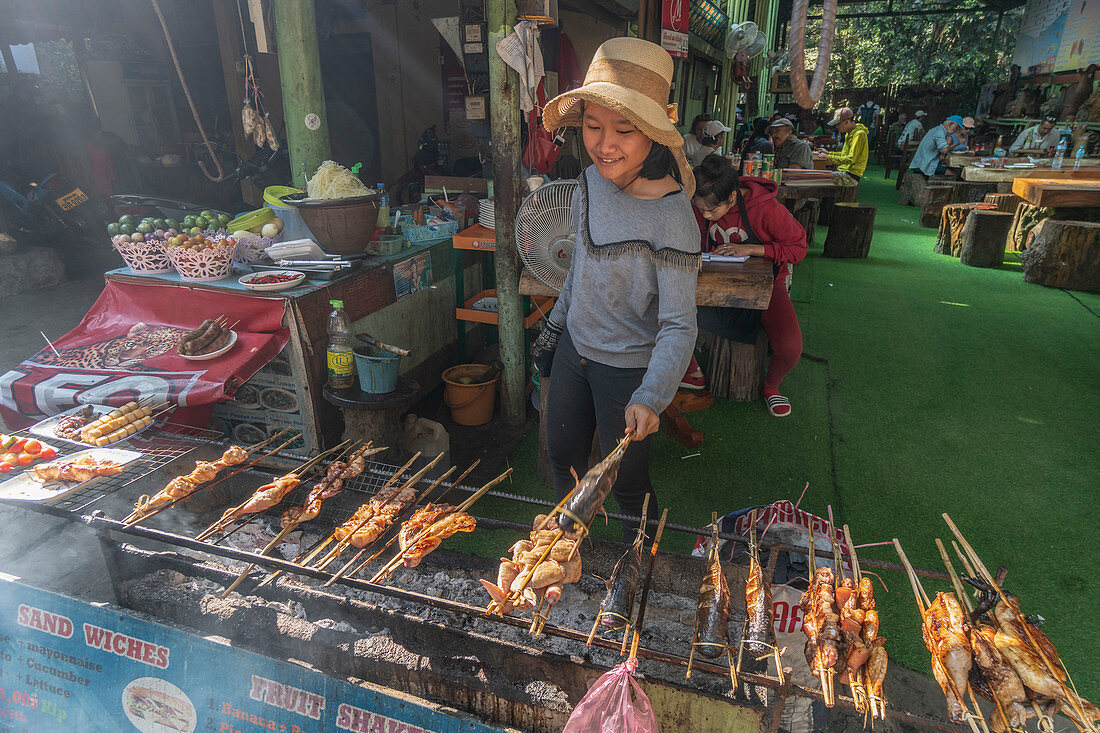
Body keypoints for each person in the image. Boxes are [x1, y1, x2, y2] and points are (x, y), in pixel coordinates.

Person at [531, 37, 699, 541]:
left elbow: (677, 325)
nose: (605, 144)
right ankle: (561, 561)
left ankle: (637, 571)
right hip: (573, 352)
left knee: (626, 486)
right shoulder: (588, 182)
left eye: (624, 130)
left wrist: (652, 395)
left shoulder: (674, 218)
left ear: (653, 132)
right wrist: (552, 330)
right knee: (562, 461)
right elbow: (579, 270)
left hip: (626, 369)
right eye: (592, 126)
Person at [688, 154, 807, 417]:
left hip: (766, 284)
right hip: (710, 280)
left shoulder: (767, 209)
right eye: (700, 210)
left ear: (732, 197)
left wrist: (752, 249)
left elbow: (798, 248)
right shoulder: (703, 206)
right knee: (670, 312)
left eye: (712, 211)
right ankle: (692, 370)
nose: (706, 216)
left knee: (789, 347)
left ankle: (771, 387)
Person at [823, 106, 869, 181]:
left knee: (821, 179)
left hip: (851, 175)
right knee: (819, 177)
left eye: (838, 124)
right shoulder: (849, 133)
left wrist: (828, 157)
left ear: (847, 122)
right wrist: (829, 154)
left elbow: (850, 159)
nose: (836, 127)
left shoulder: (859, 134)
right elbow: (845, 154)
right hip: (844, 171)